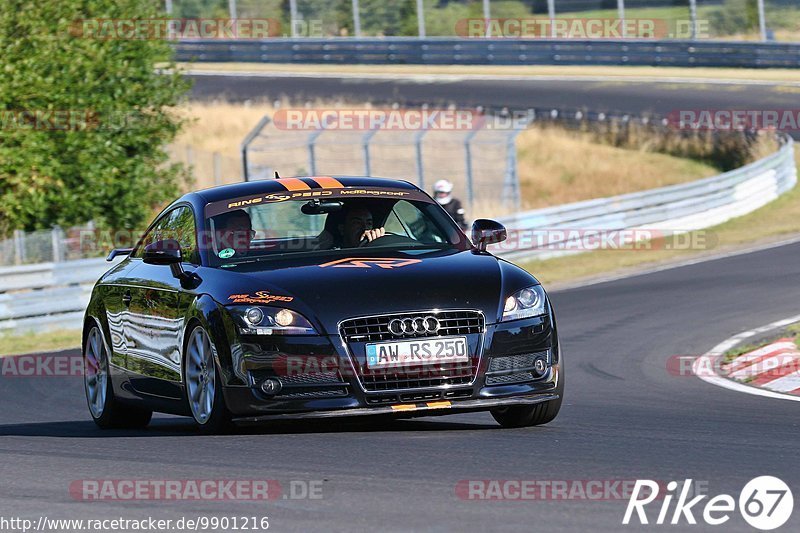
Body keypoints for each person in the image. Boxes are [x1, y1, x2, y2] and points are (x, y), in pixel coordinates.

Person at [315, 204, 385, 249]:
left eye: (369, 223)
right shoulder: (331, 256)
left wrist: (379, 243)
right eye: (357, 223)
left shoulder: (380, 255)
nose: (365, 228)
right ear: (342, 229)